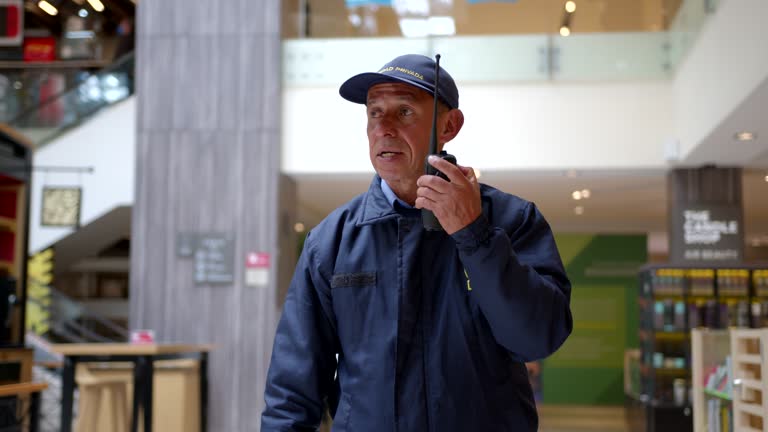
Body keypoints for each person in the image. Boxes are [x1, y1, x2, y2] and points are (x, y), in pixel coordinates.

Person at [261, 54, 573, 431]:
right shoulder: (331, 241)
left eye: (404, 112)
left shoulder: (512, 220)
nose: (384, 128)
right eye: (375, 112)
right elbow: (291, 392)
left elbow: (537, 339)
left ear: (450, 125)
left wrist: (474, 235)